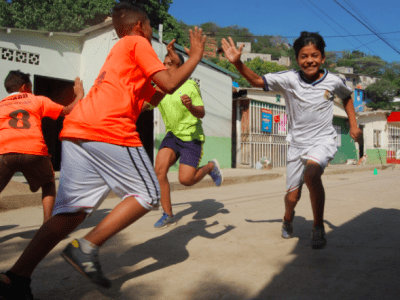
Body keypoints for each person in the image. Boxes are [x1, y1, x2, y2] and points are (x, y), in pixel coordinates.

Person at [0, 3, 206, 299]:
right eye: (149, 26)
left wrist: (173, 66)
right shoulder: (136, 42)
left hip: (77, 132)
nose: (150, 33)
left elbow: (158, 94)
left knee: (69, 214)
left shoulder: (122, 54)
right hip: (107, 129)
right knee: (147, 193)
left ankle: (15, 277)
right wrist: (195, 56)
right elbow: (171, 85)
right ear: (139, 27)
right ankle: (86, 247)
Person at [220, 31, 362, 249]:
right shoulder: (289, 79)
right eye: (304, 56)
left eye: (314, 55)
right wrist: (238, 64)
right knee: (292, 197)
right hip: (297, 144)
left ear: (323, 58)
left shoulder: (333, 81)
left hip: (323, 140)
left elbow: (347, 97)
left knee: (313, 174)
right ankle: (288, 218)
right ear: (297, 60)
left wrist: (353, 124)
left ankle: (317, 227)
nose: (309, 60)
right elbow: (257, 80)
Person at [142, 50, 223, 229]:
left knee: (186, 180)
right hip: (172, 136)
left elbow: (201, 113)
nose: (165, 67)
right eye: (164, 63)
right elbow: (148, 105)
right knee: (159, 170)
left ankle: (210, 167)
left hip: (191, 138)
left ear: (180, 66)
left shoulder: (190, 86)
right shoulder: (161, 88)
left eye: (170, 63)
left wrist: (190, 106)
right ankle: (168, 214)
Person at [0, 70, 83, 223]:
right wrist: (79, 95)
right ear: (25, 87)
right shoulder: (37, 100)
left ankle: (33, 182)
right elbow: (67, 111)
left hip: (5, 152)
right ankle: (47, 223)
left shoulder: (1, 105)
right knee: (48, 183)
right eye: (31, 88)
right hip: (33, 150)